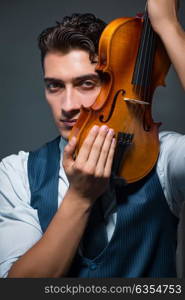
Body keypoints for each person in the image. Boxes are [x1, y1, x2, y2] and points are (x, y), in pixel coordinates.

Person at [0, 0, 185, 278]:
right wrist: (80, 197)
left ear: (115, 81)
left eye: (86, 83)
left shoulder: (165, 158)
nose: (68, 105)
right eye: (55, 86)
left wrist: (169, 28)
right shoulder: (16, 173)